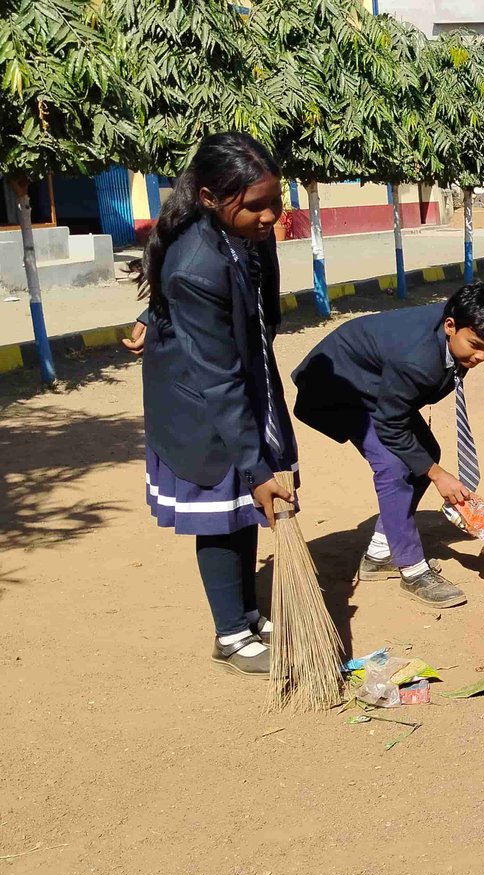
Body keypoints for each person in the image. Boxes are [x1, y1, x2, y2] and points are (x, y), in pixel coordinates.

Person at [138, 132, 296, 678]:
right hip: (200, 400)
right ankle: (231, 635)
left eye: (276, 200)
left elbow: (255, 304)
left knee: (244, 508)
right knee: (221, 513)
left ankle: (246, 613)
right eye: (256, 206)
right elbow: (219, 378)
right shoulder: (195, 264)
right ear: (209, 197)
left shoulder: (242, 228)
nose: (270, 216)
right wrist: (257, 466)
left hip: (235, 375)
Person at [291, 283, 484, 608]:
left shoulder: (460, 322)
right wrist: (438, 475)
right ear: (450, 327)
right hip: (338, 387)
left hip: (376, 385)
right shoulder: (415, 359)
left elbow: (483, 335)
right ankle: (413, 570)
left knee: (422, 456)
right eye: (475, 346)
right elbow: (390, 424)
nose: (481, 357)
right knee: (394, 466)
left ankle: (378, 555)